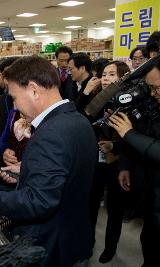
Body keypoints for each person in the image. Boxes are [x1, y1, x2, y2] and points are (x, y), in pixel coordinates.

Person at [0, 56, 97, 267]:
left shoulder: (51, 132)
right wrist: (26, 170)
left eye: (14, 97)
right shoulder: (76, 120)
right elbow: (66, 173)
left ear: (33, 90)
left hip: (51, 245)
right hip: (73, 235)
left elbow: (40, 201)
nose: (14, 106)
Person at [108, 56, 160, 267]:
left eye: (157, 88)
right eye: (151, 89)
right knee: (149, 241)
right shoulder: (151, 103)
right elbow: (143, 131)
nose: (154, 94)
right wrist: (125, 166)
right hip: (151, 192)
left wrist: (128, 134)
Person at [82, 61, 130, 264]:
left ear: (122, 78)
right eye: (103, 74)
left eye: (111, 74)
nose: (105, 78)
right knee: (91, 205)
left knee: (115, 209)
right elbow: (79, 117)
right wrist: (85, 93)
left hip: (117, 164)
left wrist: (114, 146)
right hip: (95, 163)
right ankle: (88, 242)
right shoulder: (96, 100)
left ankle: (110, 247)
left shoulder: (129, 102)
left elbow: (134, 138)